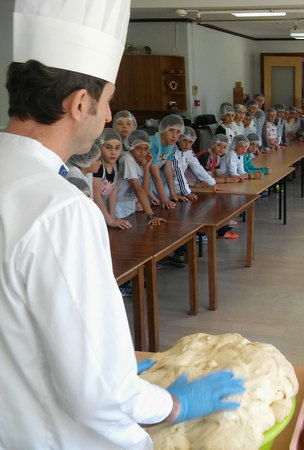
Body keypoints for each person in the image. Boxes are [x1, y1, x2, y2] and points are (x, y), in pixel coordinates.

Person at [0, 1, 244, 448]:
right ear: (79, 104)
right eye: (108, 102)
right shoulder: (62, 209)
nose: (111, 118)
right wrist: (171, 405)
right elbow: (100, 389)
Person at [116, 130, 166, 226]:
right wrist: (151, 215)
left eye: (146, 148)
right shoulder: (127, 159)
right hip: (117, 208)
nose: (143, 153)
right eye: (138, 148)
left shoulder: (140, 161)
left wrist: (146, 168)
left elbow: (145, 191)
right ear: (130, 147)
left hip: (128, 208)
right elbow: (138, 189)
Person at [93, 128, 132, 229]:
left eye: (117, 148)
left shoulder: (113, 165)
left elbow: (113, 190)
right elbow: (96, 197)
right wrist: (110, 221)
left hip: (104, 214)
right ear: (99, 147)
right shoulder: (97, 166)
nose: (113, 152)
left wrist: (112, 217)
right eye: (109, 148)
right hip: (93, 216)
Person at [149, 114, 189, 209]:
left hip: (154, 178)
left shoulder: (171, 145)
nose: (174, 136)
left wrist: (172, 194)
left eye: (178, 132)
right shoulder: (153, 143)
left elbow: (168, 169)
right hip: (142, 178)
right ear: (162, 129)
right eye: (171, 130)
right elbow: (154, 174)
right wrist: (164, 200)